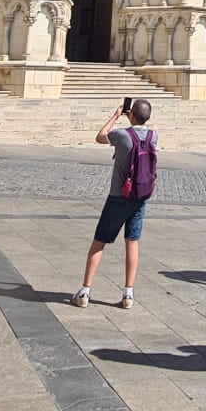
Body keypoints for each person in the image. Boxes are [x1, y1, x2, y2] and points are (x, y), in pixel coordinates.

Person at [72, 100, 157, 310]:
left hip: (118, 197)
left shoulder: (122, 135)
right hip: (140, 197)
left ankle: (85, 291)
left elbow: (100, 136)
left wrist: (116, 116)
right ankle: (128, 294)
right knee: (132, 242)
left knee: (99, 242)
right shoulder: (153, 136)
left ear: (131, 115)